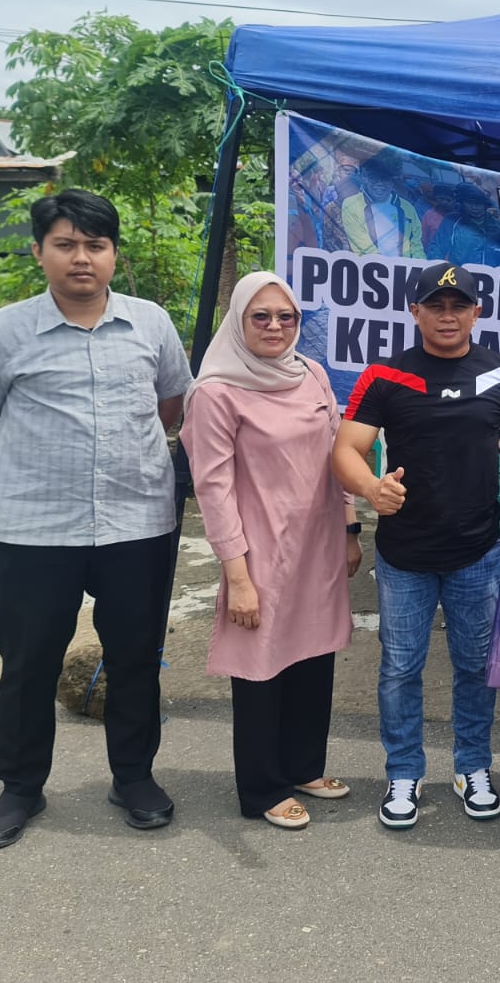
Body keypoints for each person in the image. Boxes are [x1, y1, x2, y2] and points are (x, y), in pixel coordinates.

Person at [0, 189, 192, 849]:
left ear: (114, 253)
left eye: (95, 245)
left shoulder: (151, 324)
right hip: (37, 529)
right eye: (65, 245)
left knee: (135, 657)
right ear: (38, 252)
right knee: (30, 662)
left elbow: (170, 405)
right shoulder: (2, 332)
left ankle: (134, 776)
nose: (81, 258)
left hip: (136, 525)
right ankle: (21, 788)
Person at [331, 262, 500, 829]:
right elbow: (345, 450)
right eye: (435, 306)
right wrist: (372, 489)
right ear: (415, 311)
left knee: (476, 665)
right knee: (400, 668)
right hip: (404, 555)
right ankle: (404, 771)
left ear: (477, 312)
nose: (447, 316)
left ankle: (472, 766)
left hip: (478, 550)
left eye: (459, 306)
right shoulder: (384, 376)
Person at [181, 272, 362, 830]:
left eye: (286, 317)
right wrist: (236, 576)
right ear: (238, 321)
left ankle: (305, 765)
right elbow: (213, 488)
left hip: (318, 543)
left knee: (314, 653)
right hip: (257, 551)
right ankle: (261, 787)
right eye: (261, 316)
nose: (276, 327)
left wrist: (351, 525)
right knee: (261, 667)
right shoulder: (215, 392)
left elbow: (339, 452)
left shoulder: (311, 375)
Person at [340, 157, 426, 258]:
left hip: (403, 270)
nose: (380, 183)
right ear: (364, 178)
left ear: (392, 181)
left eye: (385, 178)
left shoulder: (407, 208)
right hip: (370, 269)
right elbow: (363, 246)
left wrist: (422, 268)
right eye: (374, 178)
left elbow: (416, 245)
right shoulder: (351, 205)